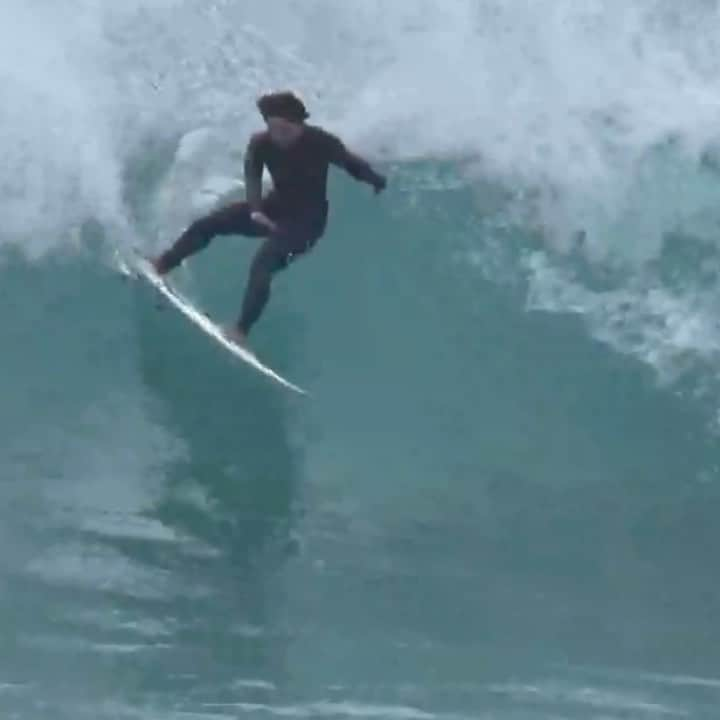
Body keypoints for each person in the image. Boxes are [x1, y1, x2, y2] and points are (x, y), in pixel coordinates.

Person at [151, 90, 387, 347]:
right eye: (273, 128)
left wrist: (376, 181)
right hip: (273, 208)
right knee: (208, 224)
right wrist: (255, 210)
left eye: (284, 129)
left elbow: (351, 164)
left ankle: (240, 331)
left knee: (263, 263)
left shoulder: (320, 142)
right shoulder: (260, 144)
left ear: (299, 124)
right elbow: (252, 177)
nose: (278, 136)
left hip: (307, 223)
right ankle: (162, 264)